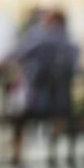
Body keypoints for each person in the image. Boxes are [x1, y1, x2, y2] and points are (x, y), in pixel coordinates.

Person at [10, 9, 79, 166]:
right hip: (62, 101)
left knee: (18, 118)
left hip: (38, 98)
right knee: (61, 120)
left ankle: (16, 155)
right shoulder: (70, 41)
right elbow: (74, 67)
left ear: (52, 21)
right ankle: (59, 155)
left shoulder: (40, 38)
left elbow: (19, 54)